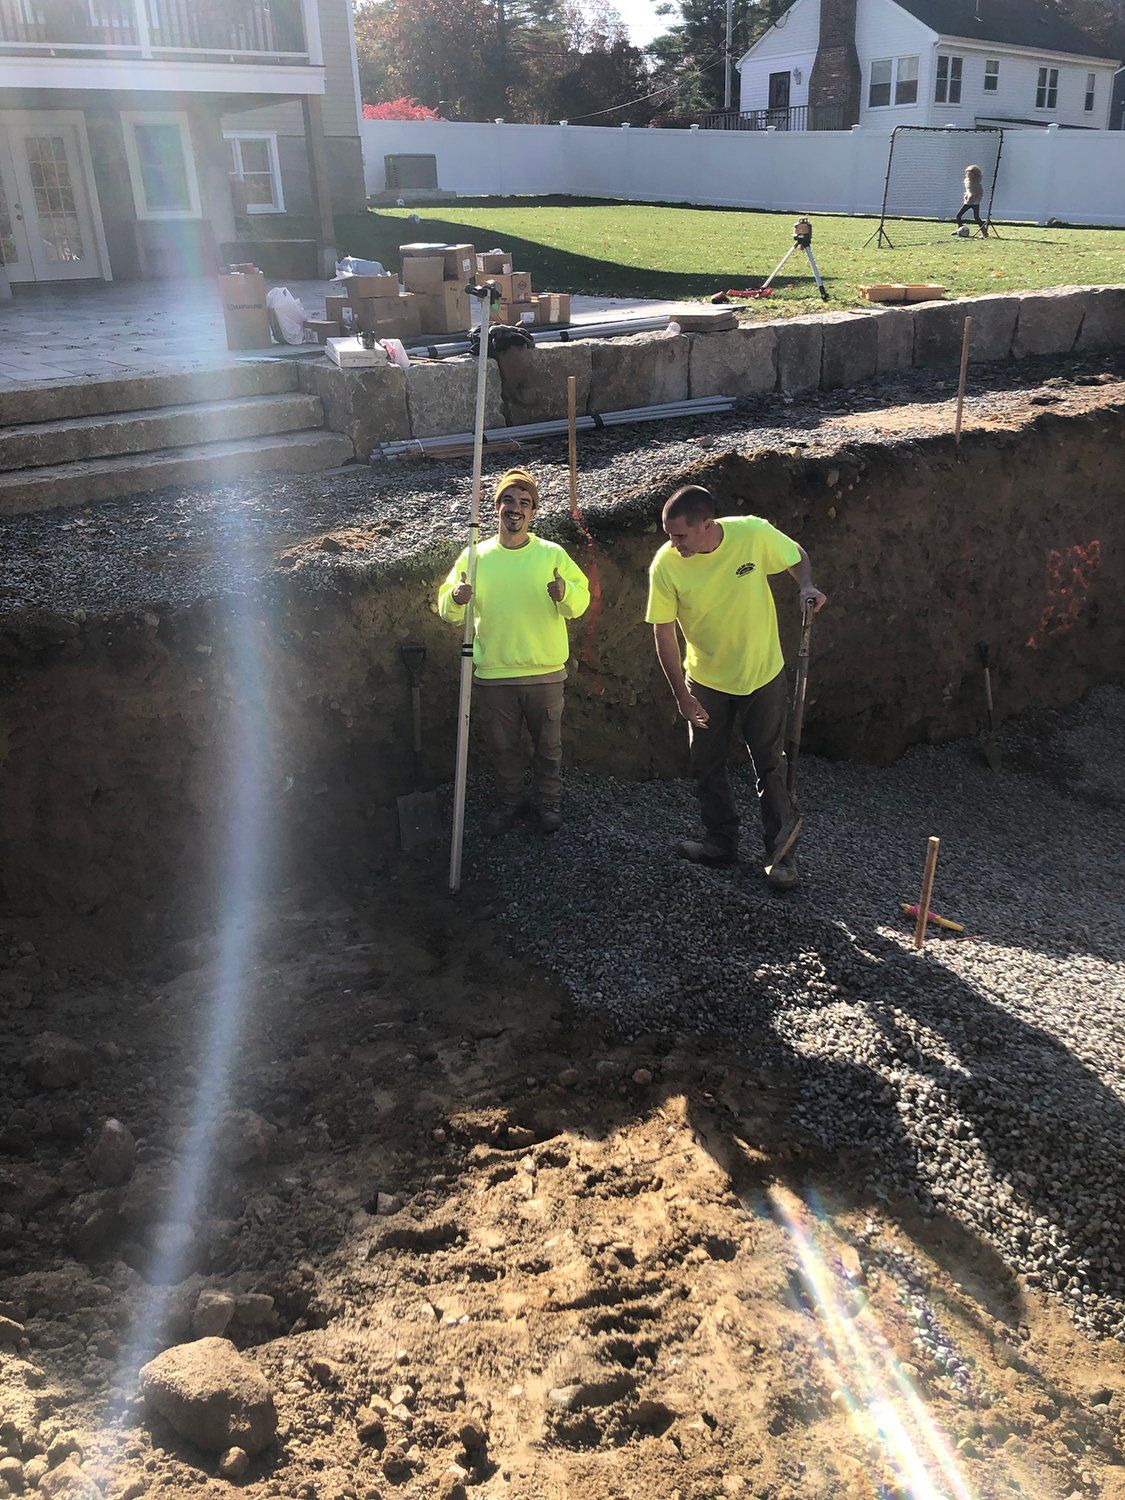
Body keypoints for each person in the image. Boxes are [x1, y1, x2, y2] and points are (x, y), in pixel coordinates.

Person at [646, 485, 826, 891]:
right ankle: (720, 843)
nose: (672, 544)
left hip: (762, 674)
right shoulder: (666, 565)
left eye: (680, 536)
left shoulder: (751, 534)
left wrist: (806, 586)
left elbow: (796, 555)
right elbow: (663, 633)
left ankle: (781, 856)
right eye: (668, 535)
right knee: (706, 763)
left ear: (707, 525)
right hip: (706, 680)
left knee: (770, 763)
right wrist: (682, 694)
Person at [438, 467, 590, 837]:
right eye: (508, 499)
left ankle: (548, 803)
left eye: (525, 502)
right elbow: (446, 606)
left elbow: (580, 599)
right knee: (503, 749)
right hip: (494, 675)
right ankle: (510, 802)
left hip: (545, 673)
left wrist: (565, 593)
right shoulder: (476, 556)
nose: (515, 508)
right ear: (496, 506)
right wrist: (457, 598)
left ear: (534, 511)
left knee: (548, 748)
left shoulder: (551, 554)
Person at [953, 164, 987, 237]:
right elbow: (968, 190)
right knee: (958, 216)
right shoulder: (967, 181)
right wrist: (966, 196)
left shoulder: (977, 183)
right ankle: (960, 229)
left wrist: (975, 199)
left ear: (975, 174)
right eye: (967, 172)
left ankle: (984, 232)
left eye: (971, 172)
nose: (968, 174)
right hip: (968, 202)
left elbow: (980, 193)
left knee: (977, 218)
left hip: (975, 203)